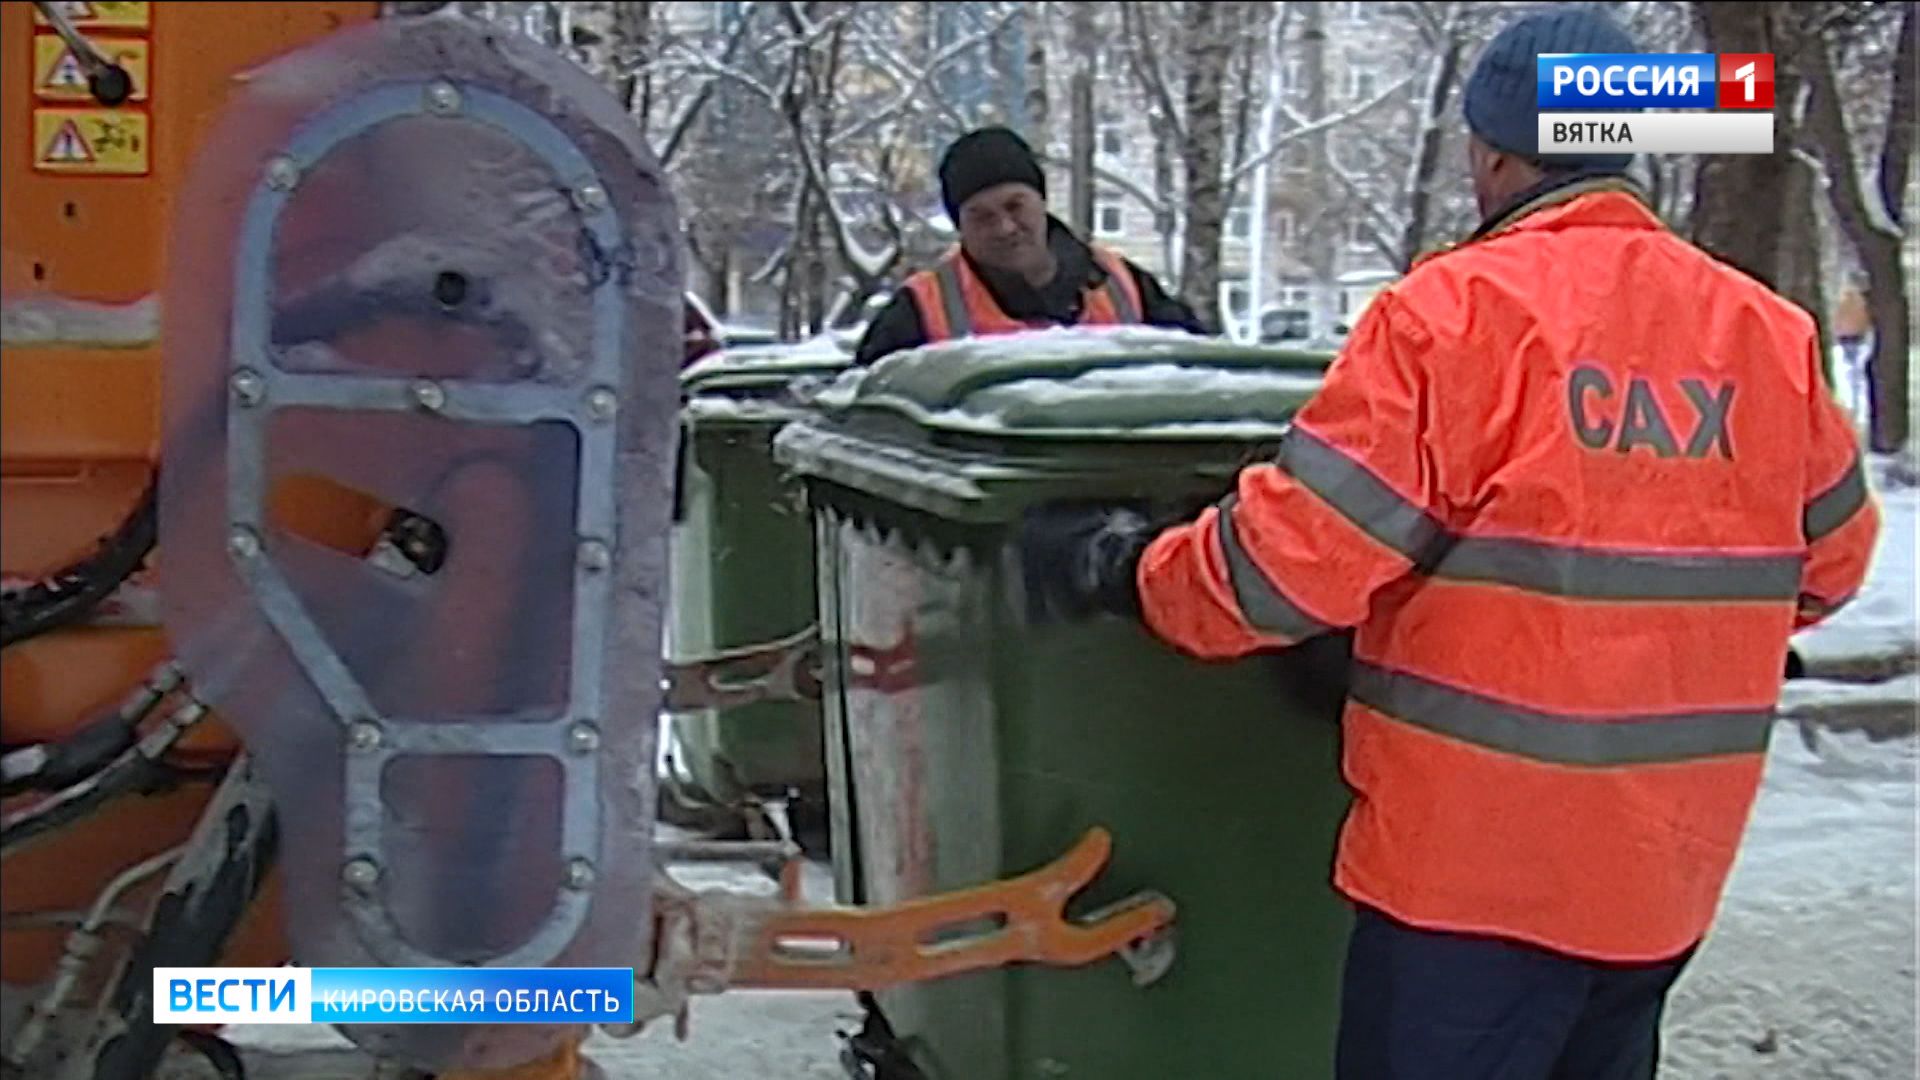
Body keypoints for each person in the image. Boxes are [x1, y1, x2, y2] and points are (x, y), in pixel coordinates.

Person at [1020, 8, 1880, 1079]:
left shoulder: (1456, 315)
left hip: (1473, 887)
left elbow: (1282, 569)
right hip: (1662, 876)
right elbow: (1831, 565)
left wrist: (1126, 572)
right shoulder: (1769, 336)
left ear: (1491, 151)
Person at [853, 126, 1201, 366]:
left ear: (1042, 201)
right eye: (982, 217)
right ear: (960, 228)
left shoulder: (1124, 286)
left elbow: (1199, 370)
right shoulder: (923, 308)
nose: (1005, 227)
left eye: (1015, 206)